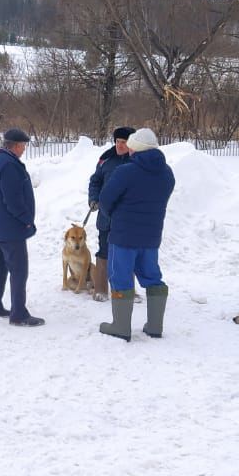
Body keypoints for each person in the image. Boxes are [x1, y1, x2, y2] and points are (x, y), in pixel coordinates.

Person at [97, 127, 175, 341]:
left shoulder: (126, 172)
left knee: (120, 277)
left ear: (137, 149)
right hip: (150, 237)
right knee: (152, 276)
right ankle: (155, 326)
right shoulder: (167, 173)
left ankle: (121, 327)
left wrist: (114, 215)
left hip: (123, 236)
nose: (128, 150)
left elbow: (105, 200)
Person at [0, 128, 45, 327]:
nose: (24, 149)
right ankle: (19, 314)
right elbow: (13, 200)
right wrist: (26, 219)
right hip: (11, 227)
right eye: (24, 146)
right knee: (19, 270)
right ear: (16, 145)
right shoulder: (9, 165)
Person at [88, 126, 136, 302]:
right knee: (104, 250)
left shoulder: (137, 161)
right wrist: (94, 199)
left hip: (128, 217)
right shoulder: (106, 159)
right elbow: (95, 181)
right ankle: (100, 289)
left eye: (124, 142)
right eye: (117, 142)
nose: (120, 145)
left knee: (127, 252)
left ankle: (129, 290)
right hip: (106, 215)